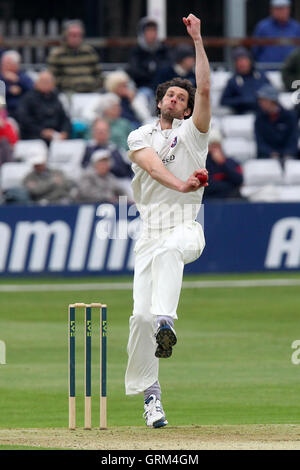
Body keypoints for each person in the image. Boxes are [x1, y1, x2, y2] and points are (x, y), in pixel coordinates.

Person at [125, 14, 210, 428]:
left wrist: (197, 40)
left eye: (183, 97)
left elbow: (206, 87)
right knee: (138, 318)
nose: (176, 99)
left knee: (175, 250)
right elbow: (154, 169)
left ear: (189, 109)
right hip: (149, 233)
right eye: (171, 96)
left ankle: (167, 322)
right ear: (160, 102)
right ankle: (152, 398)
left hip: (185, 227)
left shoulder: (195, 135)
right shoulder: (139, 136)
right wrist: (183, 184)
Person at [47, 20, 102, 93]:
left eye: (78, 35)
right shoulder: (56, 54)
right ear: (65, 36)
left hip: (90, 93)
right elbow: (52, 78)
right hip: (66, 94)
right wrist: (72, 83)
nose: (76, 38)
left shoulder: (89, 52)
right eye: (72, 35)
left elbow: (98, 75)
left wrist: (91, 83)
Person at [17, 70, 72, 143]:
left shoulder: (56, 98)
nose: (46, 84)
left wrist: (64, 132)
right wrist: (42, 131)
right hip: (35, 137)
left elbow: (65, 118)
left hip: (56, 136)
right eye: (43, 82)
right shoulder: (28, 99)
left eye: (49, 82)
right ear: (36, 83)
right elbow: (24, 120)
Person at [255, 83, 299, 160]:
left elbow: (293, 138)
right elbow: (260, 142)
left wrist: (288, 153)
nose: (260, 103)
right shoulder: (259, 119)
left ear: (272, 101)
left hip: (289, 155)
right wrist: (270, 153)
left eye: (263, 100)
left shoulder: (289, 116)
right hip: (267, 157)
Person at [220, 47, 270, 114]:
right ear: (235, 64)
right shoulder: (233, 81)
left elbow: (273, 94)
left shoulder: (261, 77)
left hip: (263, 114)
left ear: (250, 61)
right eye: (239, 61)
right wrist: (242, 100)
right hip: (242, 115)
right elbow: (224, 101)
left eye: (244, 60)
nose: (242, 64)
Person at [127, 17, 171, 92]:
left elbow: (168, 67)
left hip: (163, 87)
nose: (152, 34)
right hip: (142, 87)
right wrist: (151, 74)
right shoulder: (136, 51)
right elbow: (134, 71)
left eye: (154, 30)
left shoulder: (163, 50)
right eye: (148, 31)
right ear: (142, 33)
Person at [252, 0, 300, 67]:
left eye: (283, 8)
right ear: (271, 10)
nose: (280, 11)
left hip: (290, 71)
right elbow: (255, 50)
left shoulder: (296, 27)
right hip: (266, 70)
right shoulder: (262, 27)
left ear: (288, 9)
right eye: (277, 8)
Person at [203, 127, 243, 200]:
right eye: (212, 145)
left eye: (217, 145)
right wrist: (230, 185)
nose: (214, 148)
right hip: (208, 201)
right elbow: (206, 186)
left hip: (230, 201)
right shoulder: (202, 164)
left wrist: (222, 163)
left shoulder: (231, 162)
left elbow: (239, 181)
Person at [0, 50, 33, 120]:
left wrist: (17, 80)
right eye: (3, 64)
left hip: (22, 111)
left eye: (8, 64)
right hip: (5, 112)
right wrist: (9, 90)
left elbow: (32, 89)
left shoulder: (22, 76)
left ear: (16, 65)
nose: (4, 66)